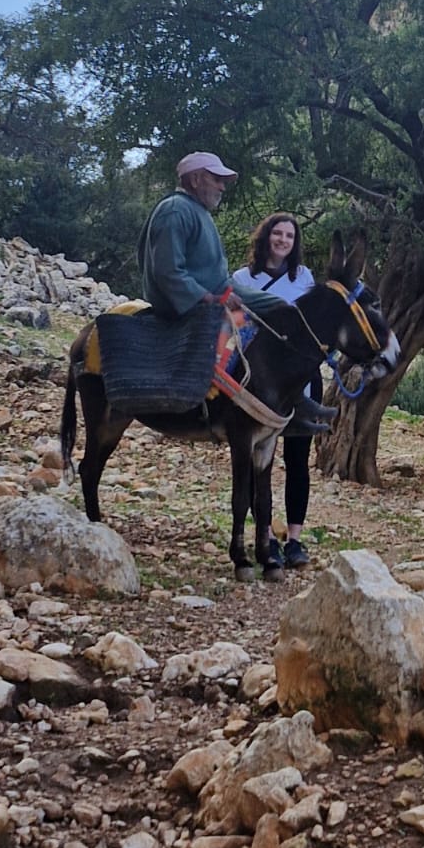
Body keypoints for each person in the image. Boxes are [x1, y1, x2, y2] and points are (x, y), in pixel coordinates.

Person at [137, 153, 335, 433]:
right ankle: (227, 406)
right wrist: (209, 298)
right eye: (216, 179)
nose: (222, 187)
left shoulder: (197, 211)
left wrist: (223, 292)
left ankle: (294, 399)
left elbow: (210, 274)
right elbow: (167, 272)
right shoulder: (175, 210)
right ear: (195, 179)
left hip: (218, 289)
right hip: (191, 302)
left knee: (284, 310)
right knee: (247, 332)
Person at [232, 214, 319, 568]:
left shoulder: (305, 278)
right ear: (266, 236)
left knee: (298, 460)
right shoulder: (242, 279)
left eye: (289, 236)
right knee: (258, 462)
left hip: (301, 383)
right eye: (278, 233)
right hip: (259, 385)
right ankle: (265, 534)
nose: (283, 240)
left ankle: (295, 539)